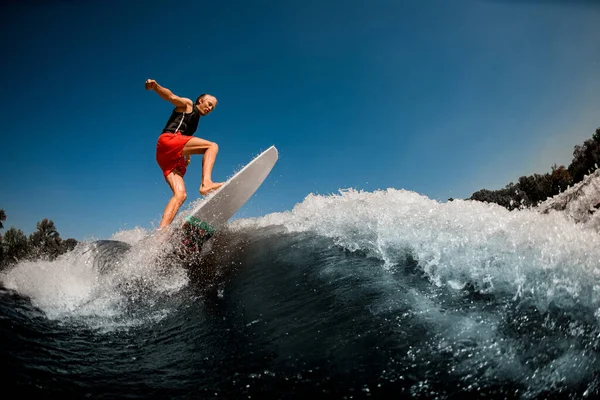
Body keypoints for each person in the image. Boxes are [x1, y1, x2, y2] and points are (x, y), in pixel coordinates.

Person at [145, 79, 223, 230]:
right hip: (168, 141)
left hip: (165, 157)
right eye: (208, 104)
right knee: (212, 146)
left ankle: (161, 232)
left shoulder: (195, 121)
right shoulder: (188, 106)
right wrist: (156, 87)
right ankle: (206, 183)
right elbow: (171, 97)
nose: (209, 108)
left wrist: (186, 157)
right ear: (200, 100)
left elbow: (185, 139)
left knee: (180, 195)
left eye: (212, 108)